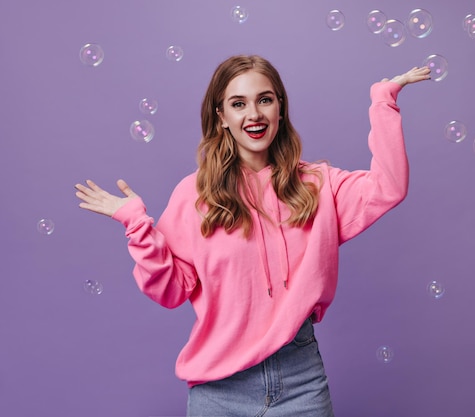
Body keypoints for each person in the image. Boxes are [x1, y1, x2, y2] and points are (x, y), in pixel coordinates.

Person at [75, 54, 431, 417]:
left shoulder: (318, 185)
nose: (254, 114)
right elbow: (169, 291)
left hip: (301, 380)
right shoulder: (194, 195)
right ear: (221, 117)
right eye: (238, 103)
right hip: (219, 390)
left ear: (280, 108)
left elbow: (388, 187)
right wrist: (137, 226)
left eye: (265, 99)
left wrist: (383, 100)